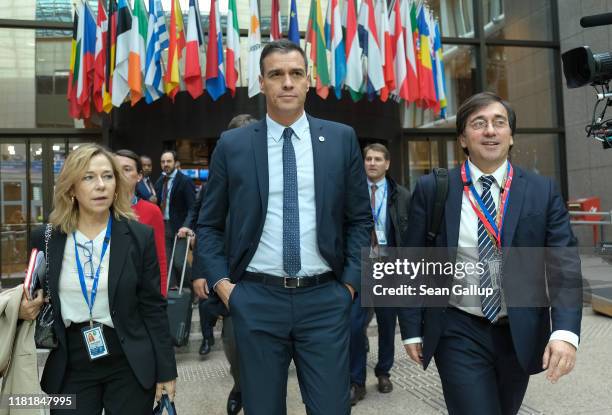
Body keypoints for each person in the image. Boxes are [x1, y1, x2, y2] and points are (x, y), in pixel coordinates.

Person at [196, 39, 371, 415]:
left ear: (309, 80)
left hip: (325, 299)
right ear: (262, 82)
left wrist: (350, 287)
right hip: (256, 299)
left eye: (295, 74)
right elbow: (208, 224)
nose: (287, 83)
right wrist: (226, 288)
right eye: (276, 74)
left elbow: (359, 220)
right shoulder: (233, 144)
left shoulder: (341, 139)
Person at [402, 92, 582, 415]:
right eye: (479, 123)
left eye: (499, 123)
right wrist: (411, 327)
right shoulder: (434, 190)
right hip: (457, 329)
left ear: (511, 137)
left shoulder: (542, 191)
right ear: (463, 139)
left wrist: (565, 332)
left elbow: (563, 265)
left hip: (519, 331)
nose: (490, 131)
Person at [30, 144, 177, 414]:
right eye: (88, 177)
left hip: (128, 360)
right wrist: (29, 307)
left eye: (108, 176)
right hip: (71, 363)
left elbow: (153, 308)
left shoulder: (138, 237)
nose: (101, 185)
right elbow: (34, 296)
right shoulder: (47, 238)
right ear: (71, 188)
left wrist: (166, 371)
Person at [191, 113, 258, 415]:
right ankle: (240, 385)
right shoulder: (214, 186)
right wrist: (202, 273)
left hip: (268, 279)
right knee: (233, 342)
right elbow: (203, 229)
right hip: (230, 280)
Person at [349, 143, 410, 405]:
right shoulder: (351, 193)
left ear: (387, 164)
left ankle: (383, 372)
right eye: (368, 159)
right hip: (359, 266)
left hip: (389, 266)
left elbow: (410, 232)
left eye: (377, 159)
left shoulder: (402, 195)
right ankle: (356, 380)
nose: (372, 163)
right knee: (353, 326)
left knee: (387, 325)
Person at [115, 149, 169, 297]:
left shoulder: (152, 211)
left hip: (140, 292)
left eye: (127, 169)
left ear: (139, 176)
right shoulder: (101, 209)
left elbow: (160, 258)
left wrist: (161, 295)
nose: (120, 174)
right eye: (115, 169)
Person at [154, 150, 196, 289]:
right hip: (163, 226)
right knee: (166, 262)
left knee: (178, 261)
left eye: (169, 161)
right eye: (163, 162)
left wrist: (186, 226)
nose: (165, 164)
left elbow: (193, 208)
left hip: (180, 228)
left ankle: (192, 289)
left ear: (176, 163)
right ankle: (172, 291)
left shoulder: (185, 181)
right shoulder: (160, 181)